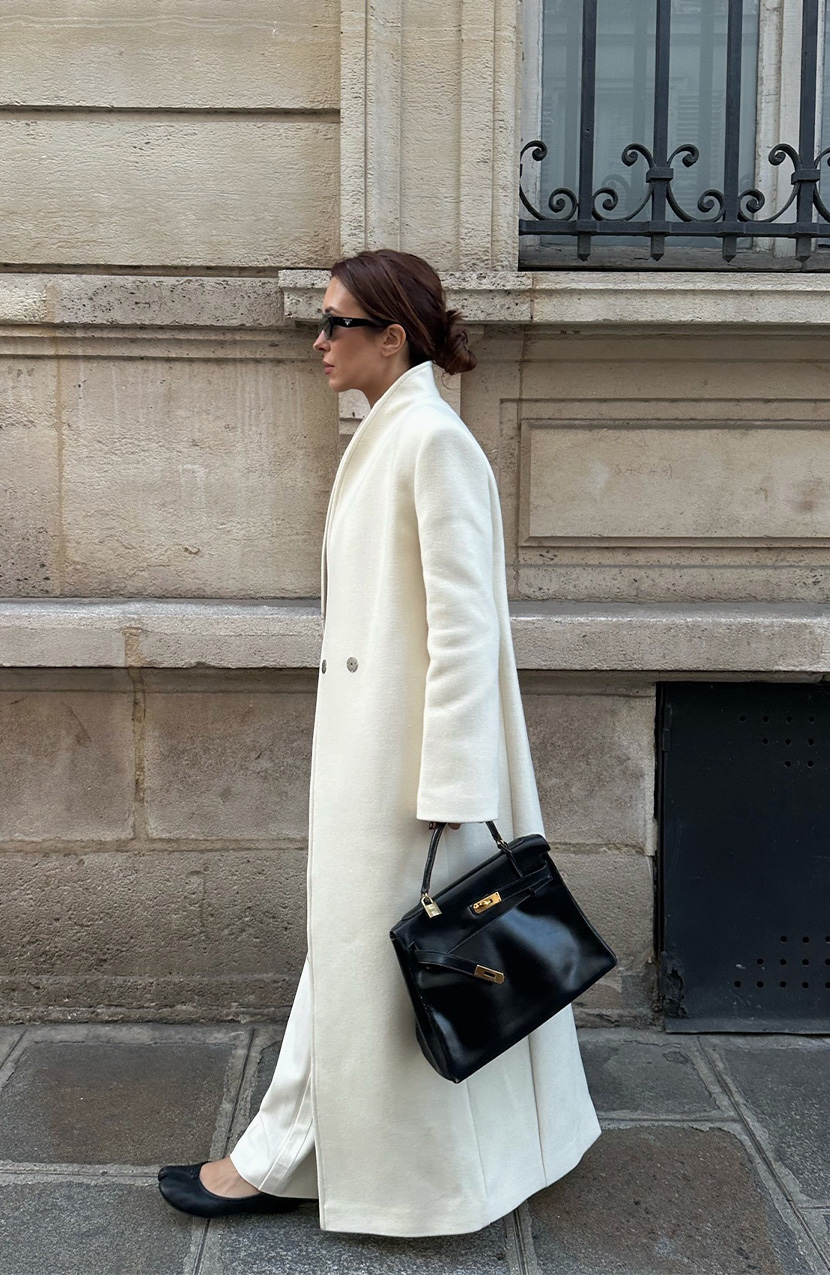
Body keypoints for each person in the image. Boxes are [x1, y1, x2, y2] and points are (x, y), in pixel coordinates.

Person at [158, 248, 601, 1237]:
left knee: (377, 966)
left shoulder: (430, 441)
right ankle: (314, 1156)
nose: (317, 342)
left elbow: (465, 629)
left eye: (335, 323)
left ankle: (291, 1165)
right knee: (372, 970)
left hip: (408, 775)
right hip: (379, 759)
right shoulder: (393, 432)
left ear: (391, 335)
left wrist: (449, 779)